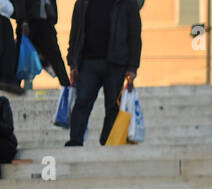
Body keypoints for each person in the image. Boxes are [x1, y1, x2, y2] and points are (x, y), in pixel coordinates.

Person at [64, 0, 140, 148]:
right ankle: (75, 140)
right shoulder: (82, 3)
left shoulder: (127, 3)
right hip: (87, 63)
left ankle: (107, 141)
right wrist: (73, 63)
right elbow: (75, 33)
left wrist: (132, 67)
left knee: (112, 105)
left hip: (116, 63)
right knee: (82, 102)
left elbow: (135, 35)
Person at [15, 0, 70, 87]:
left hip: (46, 23)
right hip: (29, 23)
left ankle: (66, 85)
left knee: (55, 55)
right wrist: (23, 20)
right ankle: (15, 85)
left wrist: (53, 18)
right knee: (21, 54)